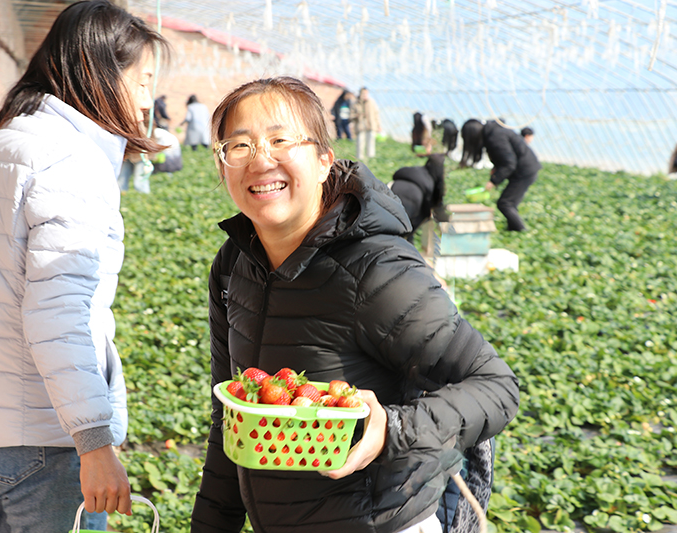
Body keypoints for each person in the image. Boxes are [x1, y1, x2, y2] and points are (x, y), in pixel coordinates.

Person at [190, 76, 519, 533]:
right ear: (222, 164)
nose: (261, 160)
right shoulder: (234, 264)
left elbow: (496, 385)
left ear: (324, 161)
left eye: (281, 140)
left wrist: (393, 428)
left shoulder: (377, 269)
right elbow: (230, 420)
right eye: (239, 146)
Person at [0, 2, 168, 531]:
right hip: (42, 443)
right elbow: (59, 314)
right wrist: (94, 442)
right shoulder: (70, 160)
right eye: (142, 81)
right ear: (99, 72)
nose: (146, 99)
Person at [461, 119, 541, 232]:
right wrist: (497, 168)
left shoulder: (495, 137)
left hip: (525, 171)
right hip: (526, 168)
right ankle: (512, 229)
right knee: (509, 203)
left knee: (505, 203)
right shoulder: (494, 132)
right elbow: (506, 156)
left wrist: (494, 181)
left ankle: (520, 230)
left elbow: (509, 163)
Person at [391, 153, 447, 241]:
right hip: (410, 203)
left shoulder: (416, 173)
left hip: (391, 194)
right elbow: (434, 207)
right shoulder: (430, 184)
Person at [353, 86, 381, 160]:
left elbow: (376, 114)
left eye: (366, 93)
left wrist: (378, 125)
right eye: (363, 93)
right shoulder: (356, 103)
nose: (365, 95)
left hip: (371, 125)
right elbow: (351, 115)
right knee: (360, 142)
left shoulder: (372, 102)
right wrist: (357, 115)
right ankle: (360, 158)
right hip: (360, 126)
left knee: (371, 142)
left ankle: (371, 158)